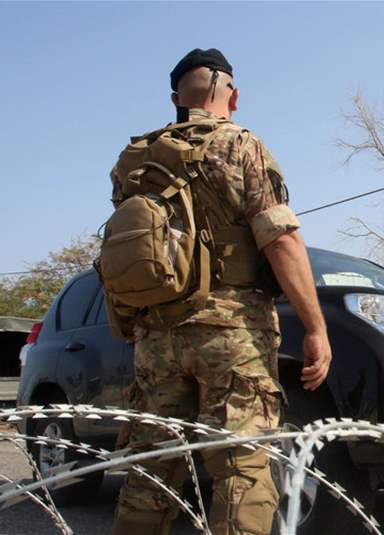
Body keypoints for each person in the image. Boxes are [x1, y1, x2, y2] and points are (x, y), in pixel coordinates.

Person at [110, 48, 332, 534]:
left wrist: (135, 333)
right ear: (232, 96)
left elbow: (123, 257)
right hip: (232, 335)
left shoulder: (133, 161)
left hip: (155, 339)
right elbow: (281, 240)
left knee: (151, 471)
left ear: (175, 98)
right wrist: (316, 328)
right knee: (240, 471)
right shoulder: (240, 145)